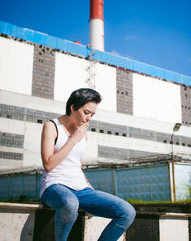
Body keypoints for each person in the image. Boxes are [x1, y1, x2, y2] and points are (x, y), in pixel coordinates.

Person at [40, 88, 136, 241]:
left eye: (92, 114)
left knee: (127, 211)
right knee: (70, 204)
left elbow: (75, 166)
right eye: (86, 112)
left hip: (80, 189)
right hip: (55, 186)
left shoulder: (83, 134)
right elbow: (48, 164)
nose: (89, 118)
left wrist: (91, 191)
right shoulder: (52, 126)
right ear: (73, 107)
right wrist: (73, 139)